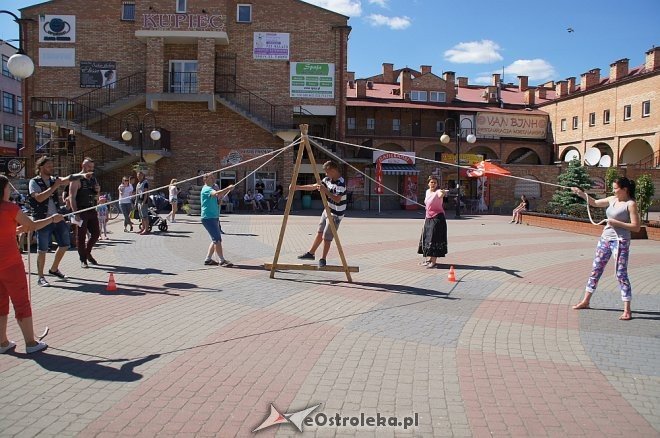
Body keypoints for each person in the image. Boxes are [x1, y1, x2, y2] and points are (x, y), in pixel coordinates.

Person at [1, 174, 61, 354]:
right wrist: (52, 219)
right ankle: (30, 343)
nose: (10, 190)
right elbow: (32, 226)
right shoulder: (10, 208)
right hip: (10, 264)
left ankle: (2, 343)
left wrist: (17, 229)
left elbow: (8, 229)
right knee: (21, 303)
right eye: (8, 187)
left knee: (0, 303)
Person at [571, 178, 640, 321]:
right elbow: (594, 203)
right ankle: (586, 301)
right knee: (596, 269)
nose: (613, 190)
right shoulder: (612, 199)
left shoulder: (630, 204)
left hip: (620, 241)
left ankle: (627, 310)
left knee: (621, 274)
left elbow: (636, 227)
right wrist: (581, 194)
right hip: (605, 239)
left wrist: (617, 223)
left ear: (624, 189)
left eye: (615, 188)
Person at [28, 156, 75, 287]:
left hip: (57, 218)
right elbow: (39, 198)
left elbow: (66, 180)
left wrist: (81, 174)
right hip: (43, 220)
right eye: (49, 166)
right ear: (41, 167)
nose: (51, 168)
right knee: (42, 249)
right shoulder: (34, 182)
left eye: (52, 165)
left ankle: (54, 269)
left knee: (65, 244)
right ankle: (41, 277)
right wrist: (54, 186)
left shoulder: (54, 180)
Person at [296, 161, 347, 268]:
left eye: (327, 172)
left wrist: (325, 191)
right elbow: (314, 186)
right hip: (327, 210)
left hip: (336, 214)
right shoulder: (327, 180)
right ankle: (311, 253)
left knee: (327, 237)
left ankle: (323, 259)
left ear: (333, 171)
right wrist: (297, 187)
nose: (326, 175)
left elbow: (337, 199)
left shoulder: (341, 183)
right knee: (320, 233)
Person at [69, 157, 101, 268]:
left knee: (96, 233)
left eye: (92, 167)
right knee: (81, 237)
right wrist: (75, 213)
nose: (91, 169)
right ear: (82, 166)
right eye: (89, 167)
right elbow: (72, 198)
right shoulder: (76, 178)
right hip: (81, 211)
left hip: (92, 209)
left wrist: (98, 191)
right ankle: (83, 259)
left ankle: (87, 252)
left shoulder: (93, 179)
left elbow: (96, 196)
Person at [200, 173, 234, 267]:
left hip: (213, 217)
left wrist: (219, 201)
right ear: (205, 179)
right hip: (208, 218)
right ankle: (222, 260)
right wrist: (228, 188)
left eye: (213, 177)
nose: (214, 179)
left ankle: (208, 259)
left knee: (216, 239)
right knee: (217, 240)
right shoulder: (207, 189)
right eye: (211, 177)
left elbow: (217, 198)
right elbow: (216, 194)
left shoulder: (211, 188)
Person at [418, 175, 449, 268]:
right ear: (428, 183)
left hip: (437, 218)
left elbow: (441, 194)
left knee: (434, 239)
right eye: (431, 182)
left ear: (437, 184)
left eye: (435, 182)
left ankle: (433, 261)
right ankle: (428, 260)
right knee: (427, 238)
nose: (433, 184)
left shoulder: (438, 192)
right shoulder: (427, 192)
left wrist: (443, 192)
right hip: (428, 218)